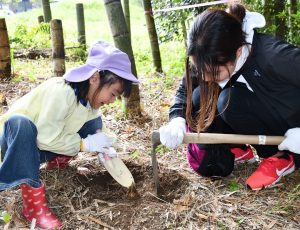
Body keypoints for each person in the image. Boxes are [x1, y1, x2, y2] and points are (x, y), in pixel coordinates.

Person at [159, 4, 300, 191]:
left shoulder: (275, 56)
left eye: (214, 73)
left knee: (229, 101)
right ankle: (239, 145)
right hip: (257, 109)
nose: (206, 77)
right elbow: (183, 92)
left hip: (291, 126)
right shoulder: (207, 54)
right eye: (201, 70)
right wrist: (176, 120)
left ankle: (282, 156)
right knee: (199, 96)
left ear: (238, 52)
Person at [0, 40, 139, 229]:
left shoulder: (89, 101)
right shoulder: (62, 92)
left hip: (41, 148)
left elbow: (98, 128)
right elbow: (45, 137)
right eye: (113, 94)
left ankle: (57, 161)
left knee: (94, 124)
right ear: (95, 78)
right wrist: (84, 145)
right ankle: (33, 207)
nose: (113, 101)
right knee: (21, 124)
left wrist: (108, 145)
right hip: (16, 146)